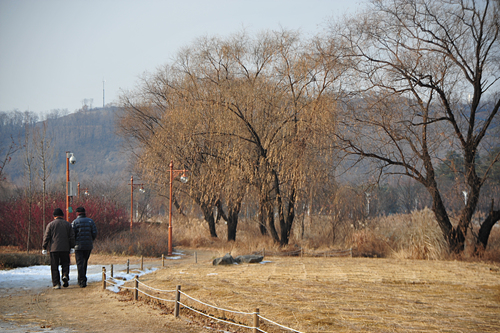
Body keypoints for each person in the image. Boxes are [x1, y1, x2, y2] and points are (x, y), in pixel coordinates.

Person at [42, 208, 75, 289]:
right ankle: (65, 275)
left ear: (54, 216)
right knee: (65, 264)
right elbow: (72, 237)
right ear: (62, 216)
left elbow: (47, 237)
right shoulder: (68, 225)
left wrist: (44, 247)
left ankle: (56, 283)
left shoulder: (50, 225)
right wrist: (72, 246)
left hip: (54, 249)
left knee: (54, 266)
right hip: (65, 248)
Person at [72, 206, 97, 288]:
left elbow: (72, 234)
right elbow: (94, 233)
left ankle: (81, 280)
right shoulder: (90, 221)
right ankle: (82, 279)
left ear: (77, 213)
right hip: (88, 246)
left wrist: (73, 243)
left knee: (79, 263)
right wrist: (90, 240)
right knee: (84, 262)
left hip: (78, 246)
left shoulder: (75, 222)